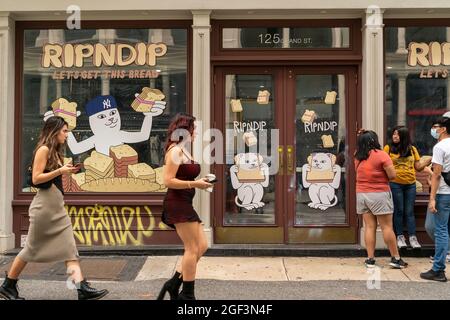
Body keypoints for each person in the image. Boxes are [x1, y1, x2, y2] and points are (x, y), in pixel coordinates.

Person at [0, 116, 109, 300]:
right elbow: (36, 179)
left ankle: (82, 288)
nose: (67, 135)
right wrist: (60, 171)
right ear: (55, 131)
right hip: (44, 210)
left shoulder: (55, 152)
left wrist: (66, 169)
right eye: (65, 131)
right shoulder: (43, 149)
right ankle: (8, 285)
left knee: (69, 248)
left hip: (57, 209)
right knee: (30, 250)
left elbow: (51, 177)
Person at [157, 113, 212, 300]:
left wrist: (200, 182)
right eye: (193, 128)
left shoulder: (184, 149)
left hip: (185, 203)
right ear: (184, 130)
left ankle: (173, 284)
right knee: (192, 248)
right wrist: (196, 184)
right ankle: (187, 295)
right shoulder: (175, 151)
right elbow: (168, 181)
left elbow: (185, 176)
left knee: (202, 245)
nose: (195, 132)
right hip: (177, 203)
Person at [355, 129, 408, 269]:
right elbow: (392, 176)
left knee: (369, 227)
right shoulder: (381, 155)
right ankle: (396, 258)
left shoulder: (358, 156)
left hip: (361, 194)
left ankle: (370, 259)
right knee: (386, 227)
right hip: (379, 193)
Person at [384, 126, 431, 249]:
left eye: (398, 134)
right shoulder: (388, 148)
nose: (395, 136)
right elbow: (382, 165)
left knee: (409, 211)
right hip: (395, 184)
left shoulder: (412, 149)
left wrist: (429, 161)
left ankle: (413, 237)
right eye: (394, 134)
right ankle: (400, 237)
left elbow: (418, 167)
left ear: (404, 136)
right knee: (399, 210)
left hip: (411, 184)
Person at [420, 117, 450, 282]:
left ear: (443, 129)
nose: (434, 129)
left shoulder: (440, 147)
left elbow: (437, 174)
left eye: (436, 127)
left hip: (444, 194)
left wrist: (432, 198)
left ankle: (438, 269)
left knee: (441, 231)